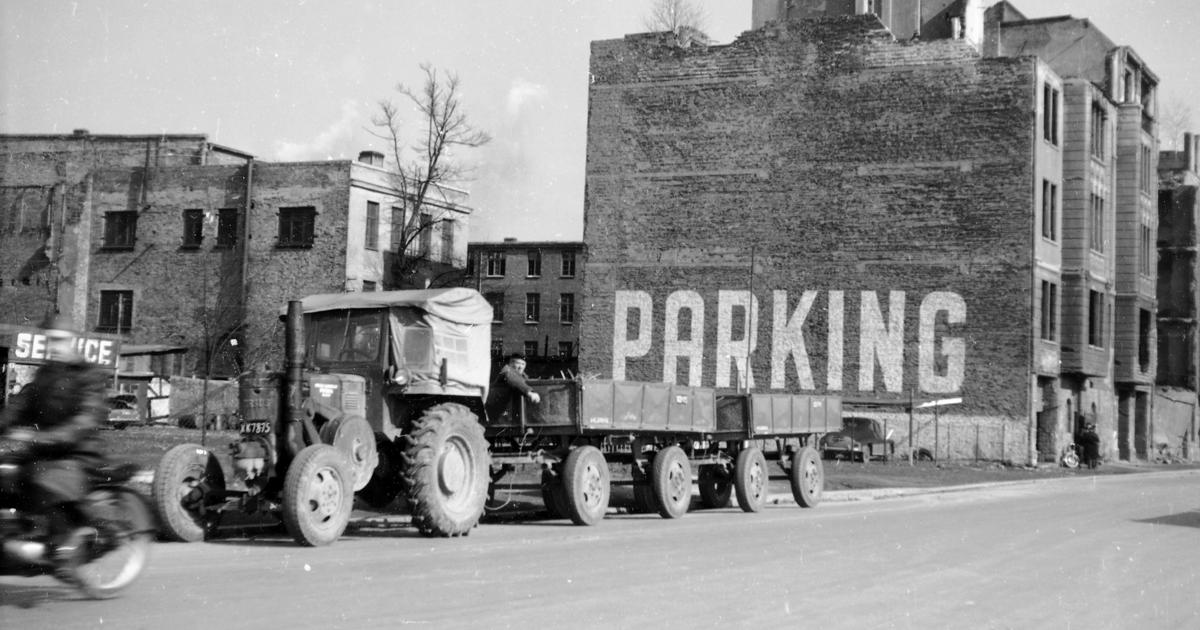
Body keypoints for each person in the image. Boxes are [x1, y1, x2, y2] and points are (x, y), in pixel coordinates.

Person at [0, 314, 110, 564]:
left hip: (78, 453)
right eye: (49, 341)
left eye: (59, 340)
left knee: (46, 480)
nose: (54, 347)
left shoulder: (89, 374)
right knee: (6, 473)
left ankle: (60, 548)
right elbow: (21, 405)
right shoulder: (46, 374)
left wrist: (41, 437)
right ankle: (19, 535)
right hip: (44, 449)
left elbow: (85, 420)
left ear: (73, 340)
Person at [485, 353, 540, 422]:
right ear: (510, 363)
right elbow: (513, 378)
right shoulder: (507, 370)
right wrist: (529, 392)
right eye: (517, 363)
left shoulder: (523, 377)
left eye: (523, 364)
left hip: (515, 417)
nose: (520, 366)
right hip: (500, 418)